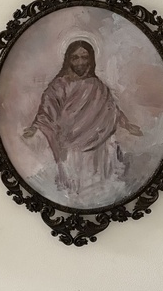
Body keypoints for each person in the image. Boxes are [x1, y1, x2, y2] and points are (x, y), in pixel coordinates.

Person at [23, 40, 141, 196]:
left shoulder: (97, 85)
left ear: (91, 59)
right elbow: (46, 110)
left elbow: (111, 109)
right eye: (75, 57)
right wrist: (34, 127)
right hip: (71, 147)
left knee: (99, 185)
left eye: (85, 57)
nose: (80, 62)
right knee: (74, 186)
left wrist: (127, 125)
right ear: (68, 60)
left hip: (99, 145)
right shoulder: (59, 85)